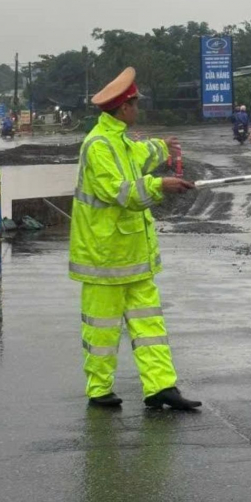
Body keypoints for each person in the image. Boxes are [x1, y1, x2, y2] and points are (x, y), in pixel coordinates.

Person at [70, 67, 202, 411]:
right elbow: (119, 191)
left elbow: (139, 154)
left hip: (134, 257)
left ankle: (161, 387)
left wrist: (162, 147)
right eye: (135, 104)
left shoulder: (120, 141)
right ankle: (99, 390)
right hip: (105, 259)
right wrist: (161, 185)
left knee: (150, 326)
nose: (138, 109)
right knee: (102, 331)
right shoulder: (98, 145)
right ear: (124, 108)